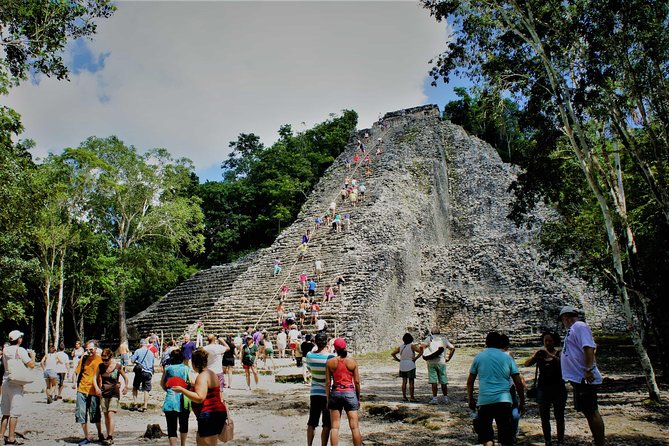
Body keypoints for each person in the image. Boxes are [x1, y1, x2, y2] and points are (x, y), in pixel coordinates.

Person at [467, 332, 525, 446]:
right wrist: (522, 400)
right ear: (500, 343)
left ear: (486, 343)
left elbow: (470, 381)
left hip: (485, 400)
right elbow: (518, 382)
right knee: (505, 437)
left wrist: (470, 399)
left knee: (486, 437)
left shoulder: (479, 357)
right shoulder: (507, 357)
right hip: (504, 400)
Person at [559, 306, 605, 446]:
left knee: (591, 411)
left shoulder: (579, 326)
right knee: (587, 411)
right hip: (579, 379)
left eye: (563, 319)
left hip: (585, 378)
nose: (563, 322)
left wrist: (589, 369)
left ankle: (600, 443)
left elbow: (589, 347)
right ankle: (597, 441)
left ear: (565, 318)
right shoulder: (572, 330)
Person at [172, 349, 227, 446]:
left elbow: (200, 397)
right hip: (217, 412)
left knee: (204, 443)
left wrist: (182, 390)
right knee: (207, 442)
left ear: (195, 363)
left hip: (209, 414)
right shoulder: (211, 373)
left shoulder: (202, 376)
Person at [525, 332, 567, 446]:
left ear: (555, 341)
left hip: (558, 388)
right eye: (545, 341)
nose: (547, 343)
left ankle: (560, 440)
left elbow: (564, 365)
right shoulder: (540, 354)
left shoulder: (560, 353)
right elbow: (526, 364)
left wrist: (551, 355)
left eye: (550, 341)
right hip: (543, 388)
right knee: (544, 417)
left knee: (559, 416)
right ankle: (547, 440)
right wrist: (535, 356)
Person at [1, 330, 36, 446]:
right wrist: (33, 356)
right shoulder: (20, 350)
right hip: (16, 384)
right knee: (14, 413)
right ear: (19, 339)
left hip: (5, 381)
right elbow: (31, 365)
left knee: (5, 412)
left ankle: (1, 436)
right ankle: (11, 438)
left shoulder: (5, 349)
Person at [325, 338, 361, 446]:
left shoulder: (330, 363)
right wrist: (357, 397)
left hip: (336, 392)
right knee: (354, 427)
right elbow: (357, 382)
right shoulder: (352, 362)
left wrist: (328, 399)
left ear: (335, 349)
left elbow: (327, 383)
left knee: (335, 427)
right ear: (345, 347)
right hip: (349, 392)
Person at [306, 333, 334, 446]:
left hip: (314, 391)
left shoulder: (309, 355)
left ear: (315, 342)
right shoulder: (331, 357)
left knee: (312, 421)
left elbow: (309, 369)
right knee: (327, 423)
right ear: (326, 343)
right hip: (327, 393)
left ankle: (309, 444)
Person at [95, 348, 128, 445]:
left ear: (111, 358)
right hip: (104, 393)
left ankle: (110, 436)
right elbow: (94, 378)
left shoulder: (118, 366)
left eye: (106, 360)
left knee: (110, 414)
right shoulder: (100, 366)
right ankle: (108, 434)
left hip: (114, 393)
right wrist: (97, 388)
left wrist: (126, 387)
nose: (104, 362)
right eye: (103, 359)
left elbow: (125, 377)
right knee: (105, 415)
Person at [73, 340, 104, 445]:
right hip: (82, 389)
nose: (89, 352)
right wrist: (74, 382)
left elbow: (102, 377)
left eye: (91, 349)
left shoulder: (100, 360)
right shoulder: (84, 358)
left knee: (95, 414)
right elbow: (77, 371)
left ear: (96, 349)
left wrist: (101, 389)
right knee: (81, 413)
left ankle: (100, 433)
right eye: (87, 350)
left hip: (94, 391)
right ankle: (87, 436)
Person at [161, 348, 191, 446]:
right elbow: (190, 382)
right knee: (184, 424)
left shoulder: (168, 369)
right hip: (184, 399)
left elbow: (162, 384)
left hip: (170, 400)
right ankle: (183, 444)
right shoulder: (186, 369)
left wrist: (169, 390)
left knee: (171, 427)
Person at [420, 326, 456, 404]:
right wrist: (448, 358)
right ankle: (445, 398)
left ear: (432, 333)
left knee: (433, 381)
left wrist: (425, 352)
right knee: (443, 380)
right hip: (441, 362)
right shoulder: (443, 339)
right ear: (439, 333)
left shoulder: (429, 339)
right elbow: (452, 348)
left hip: (431, 362)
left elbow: (422, 346)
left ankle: (435, 398)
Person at [391, 333, 422, 402]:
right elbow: (420, 352)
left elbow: (393, 353)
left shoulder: (401, 347)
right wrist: (415, 358)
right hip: (410, 364)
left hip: (402, 365)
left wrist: (398, 360)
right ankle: (412, 397)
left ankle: (404, 396)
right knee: (411, 382)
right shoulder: (412, 346)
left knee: (404, 381)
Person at [130, 339, 155, 412]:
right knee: (146, 389)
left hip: (140, 371)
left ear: (140, 344)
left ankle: (135, 403)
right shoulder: (151, 353)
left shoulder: (138, 351)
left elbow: (132, 360)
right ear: (146, 344)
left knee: (135, 387)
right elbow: (152, 363)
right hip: (148, 372)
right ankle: (145, 406)